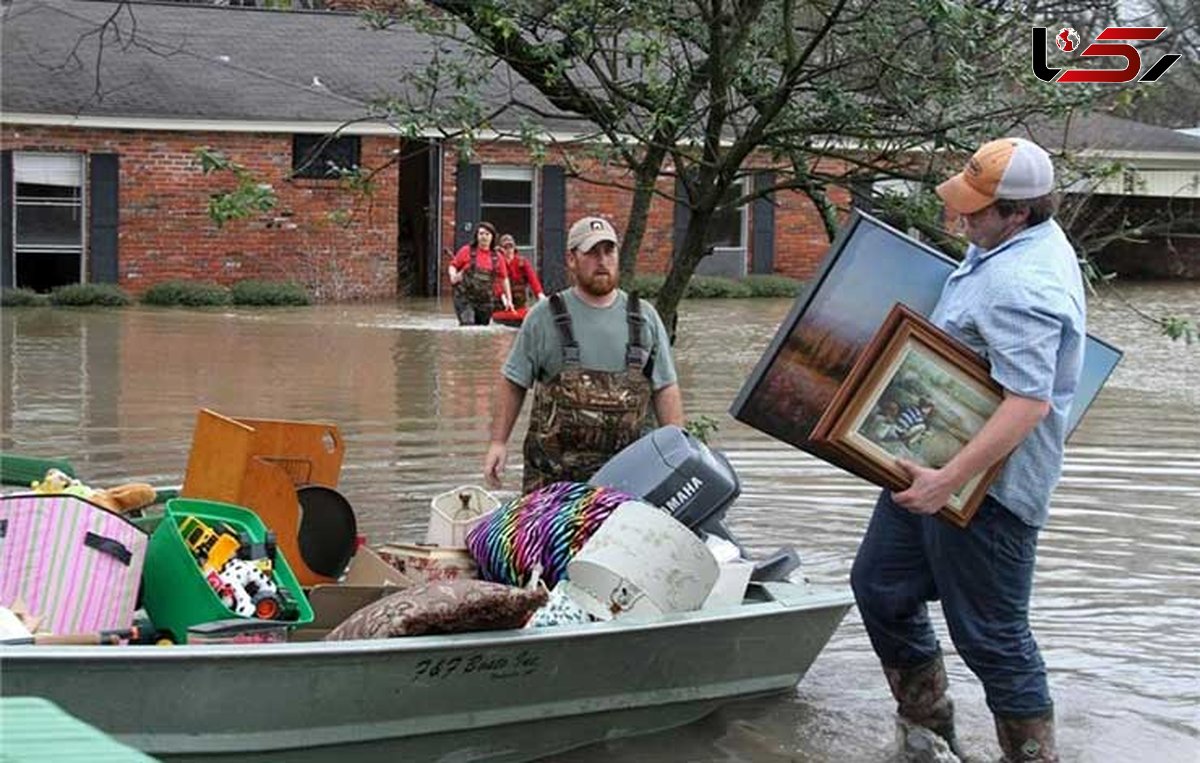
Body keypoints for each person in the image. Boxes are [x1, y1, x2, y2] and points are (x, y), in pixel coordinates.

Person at [850, 138, 1085, 762]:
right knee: (880, 586)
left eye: (977, 210)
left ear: (1020, 211)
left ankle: (1031, 758)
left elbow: (1029, 402)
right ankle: (928, 734)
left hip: (988, 490)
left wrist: (944, 478)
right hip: (933, 468)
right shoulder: (1006, 245)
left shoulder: (1022, 282)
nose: (962, 218)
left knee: (992, 638)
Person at [483, 216, 685, 492]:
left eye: (608, 250)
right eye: (591, 252)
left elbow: (665, 388)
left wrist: (678, 455)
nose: (602, 260)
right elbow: (514, 382)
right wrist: (498, 442)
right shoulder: (543, 318)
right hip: (552, 486)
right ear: (572, 259)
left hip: (628, 485)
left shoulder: (644, 317)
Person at [448, 222, 512, 326]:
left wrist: (509, 300)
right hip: (465, 298)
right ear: (477, 236)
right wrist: (453, 276)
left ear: (492, 237)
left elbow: (504, 279)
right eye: (481, 234)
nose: (484, 237)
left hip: (485, 301)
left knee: (482, 329)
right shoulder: (466, 251)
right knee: (468, 325)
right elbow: (453, 266)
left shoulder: (498, 257)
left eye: (487, 234)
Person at [495, 233, 545, 310]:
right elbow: (497, 281)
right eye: (505, 247)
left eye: (510, 247)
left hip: (519, 300)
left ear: (514, 248)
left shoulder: (522, 262)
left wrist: (539, 294)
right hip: (502, 301)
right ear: (501, 249)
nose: (509, 250)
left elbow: (533, 278)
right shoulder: (497, 262)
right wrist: (503, 297)